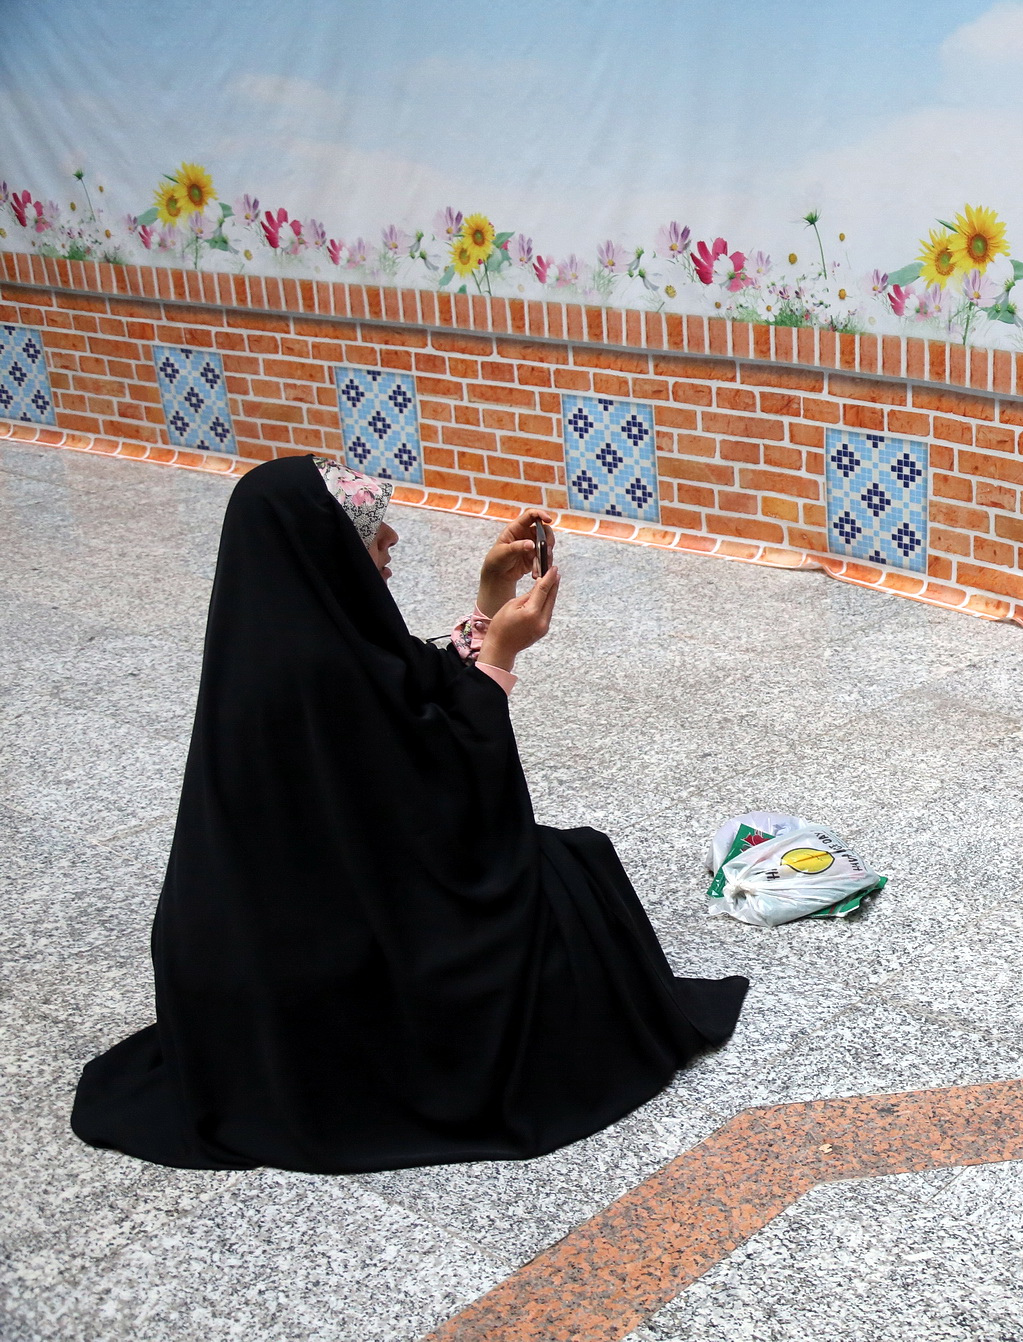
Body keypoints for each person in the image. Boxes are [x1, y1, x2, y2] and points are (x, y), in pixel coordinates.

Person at [71, 454, 748, 1173]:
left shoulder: (285, 634)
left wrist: (489, 605)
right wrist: (501, 657)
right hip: (343, 963)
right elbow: (446, 790)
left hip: (255, 956)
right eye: (367, 529)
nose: (391, 537)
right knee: (577, 879)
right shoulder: (314, 669)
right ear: (323, 549)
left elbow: (403, 705)